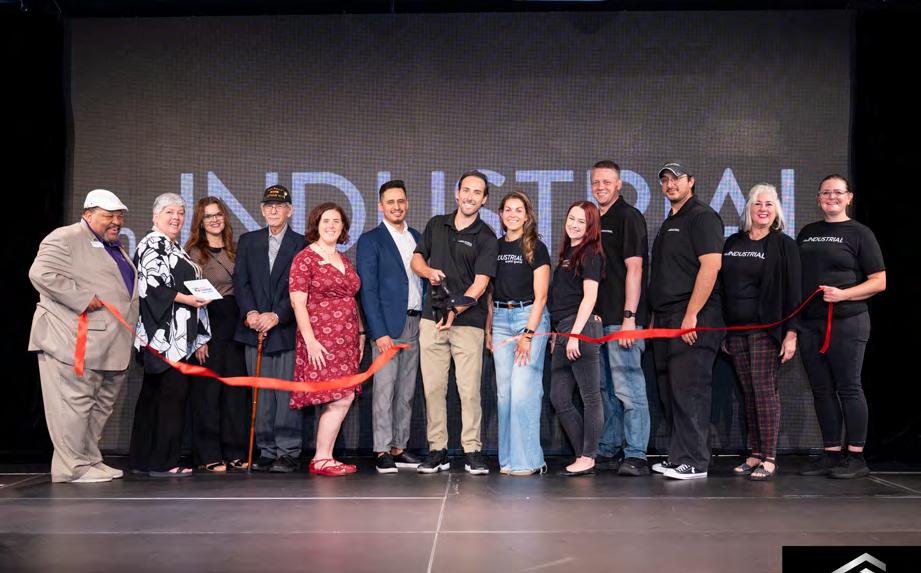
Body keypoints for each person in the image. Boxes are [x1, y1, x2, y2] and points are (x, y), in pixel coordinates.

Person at [28, 189, 139, 483]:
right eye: (109, 215)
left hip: (111, 341)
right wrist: (81, 297)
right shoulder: (65, 237)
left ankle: (89, 459)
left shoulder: (112, 246)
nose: (116, 222)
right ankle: (71, 467)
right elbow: (41, 274)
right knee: (73, 405)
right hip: (72, 339)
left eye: (120, 216)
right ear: (88, 214)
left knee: (100, 406)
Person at [796, 174, 885, 479]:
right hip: (810, 324)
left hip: (848, 321)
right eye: (825, 193)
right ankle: (831, 453)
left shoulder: (860, 233)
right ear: (818, 199)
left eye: (837, 192)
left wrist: (844, 294)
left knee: (849, 386)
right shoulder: (807, 232)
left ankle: (856, 457)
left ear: (849, 197)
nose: (831, 197)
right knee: (821, 389)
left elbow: (879, 281)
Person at [411, 170, 498, 475]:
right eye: (466, 190)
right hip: (431, 320)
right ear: (457, 193)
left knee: (469, 390)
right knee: (433, 388)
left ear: (484, 200)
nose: (470, 197)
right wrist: (428, 272)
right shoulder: (436, 224)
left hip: (468, 323)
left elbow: (480, 284)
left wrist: (454, 310)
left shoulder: (486, 236)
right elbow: (417, 259)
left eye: (477, 193)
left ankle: (472, 450)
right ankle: (438, 450)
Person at [648, 163, 724, 480]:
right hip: (666, 318)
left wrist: (691, 315)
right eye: (665, 180)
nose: (670, 184)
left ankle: (694, 461)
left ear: (691, 182)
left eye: (676, 178)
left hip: (693, 316)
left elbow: (711, 266)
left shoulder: (702, 216)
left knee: (689, 390)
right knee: (671, 391)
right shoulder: (671, 220)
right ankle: (679, 456)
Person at [721, 183, 801, 481]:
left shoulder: (784, 244)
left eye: (769, 204)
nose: (763, 209)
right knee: (749, 392)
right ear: (749, 208)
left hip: (767, 331)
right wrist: (724, 330)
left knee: (764, 391)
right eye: (758, 204)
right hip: (736, 331)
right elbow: (722, 288)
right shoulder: (733, 242)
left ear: (776, 210)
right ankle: (754, 453)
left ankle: (769, 457)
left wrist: (791, 333)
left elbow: (794, 291)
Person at [129, 193, 211, 478]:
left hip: (171, 335)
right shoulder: (153, 243)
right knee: (170, 397)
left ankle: (143, 459)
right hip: (163, 337)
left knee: (153, 397)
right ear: (155, 216)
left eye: (180, 213)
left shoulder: (173, 246)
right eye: (169, 212)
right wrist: (188, 300)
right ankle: (163, 462)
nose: (176, 217)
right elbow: (152, 286)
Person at [234, 185, 308, 473]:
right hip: (254, 329)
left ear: (290, 210)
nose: (273, 210)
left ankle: (288, 451)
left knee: (285, 394)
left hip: (285, 329)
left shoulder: (301, 244)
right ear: (262, 210)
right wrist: (251, 313)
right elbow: (241, 282)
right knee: (261, 394)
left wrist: (277, 315)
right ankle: (266, 450)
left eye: (279, 206)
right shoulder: (248, 241)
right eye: (268, 206)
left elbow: (302, 288)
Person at [289, 203, 364, 476]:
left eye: (336, 221)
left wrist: (361, 333)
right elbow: (297, 303)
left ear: (343, 227)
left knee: (342, 395)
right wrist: (309, 340)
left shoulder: (344, 259)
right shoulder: (305, 258)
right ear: (316, 225)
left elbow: (351, 299)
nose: (331, 226)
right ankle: (321, 458)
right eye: (326, 221)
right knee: (338, 396)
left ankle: (325, 457)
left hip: (347, 339)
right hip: (322, 338)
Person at [356, 180, 425, 474]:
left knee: (406, 391)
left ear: (407, 203)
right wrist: (378, 332)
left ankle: (399, 447)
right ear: (380, 206)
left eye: (401, 201)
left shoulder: (418, 237)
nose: (396, 207)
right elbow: (368, 291)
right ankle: (382, 449)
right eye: (390, 202)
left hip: (416, 322)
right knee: (385, 390)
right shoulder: (371, 240)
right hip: (387, 326)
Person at [590, 161, 652, 477]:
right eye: (596, 182)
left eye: (607, 182)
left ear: (619, 185)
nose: (601, 187)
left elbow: (635, 268)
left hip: (622, 319)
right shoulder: (593, 219)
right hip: (598, 321)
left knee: (629, 388)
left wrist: (630, 317)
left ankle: (637, 453)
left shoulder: (629, 217)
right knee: (606, 389)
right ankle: (610, 446)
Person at [486, 191, 551, 476]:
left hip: (529, 318)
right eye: (508, 210)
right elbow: (490, 292)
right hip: (501, 319)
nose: (513, 214)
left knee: (524, 391)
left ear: (527, 216)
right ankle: (508, 460)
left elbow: (542, 296)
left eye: (518, 210)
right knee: (505, 394)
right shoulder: (495, 247)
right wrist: (489, 328)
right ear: (500, 214)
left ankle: (529, 461)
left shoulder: (536, 247)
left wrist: (528, 334)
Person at [185, 197, 251, 472]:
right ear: (200, 222)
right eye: (208, 216)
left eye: (218, 214)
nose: (214, 220)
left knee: (235, 392)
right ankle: (208, 453)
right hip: (208, 324)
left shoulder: (237, 250)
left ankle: (235, 450)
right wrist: (200, 338)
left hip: (236, 325)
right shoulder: (193, 254)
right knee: (208, 393)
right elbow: (192, 299)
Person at [548, 201, 605, 477]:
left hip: (578, 330)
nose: (574, 224)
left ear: (591, 226)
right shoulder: (567, 254)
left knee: (590, 396)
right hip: (563, 330)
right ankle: (585, 452)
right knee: (559, 397)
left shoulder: (591, 253)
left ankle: (588, 456)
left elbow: (590, 297)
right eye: (571, 218)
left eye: (581, 221)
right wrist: (557, 334)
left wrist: (574, 334)